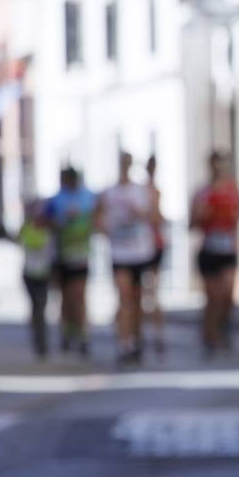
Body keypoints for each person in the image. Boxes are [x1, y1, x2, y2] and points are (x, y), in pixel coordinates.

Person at [95, 152, 159, 364]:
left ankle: (137, 338)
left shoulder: (142, 191)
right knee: (124, 299)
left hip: (141, 252)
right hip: (120, 252)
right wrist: (104, 228)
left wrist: (141, 214)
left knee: (139, 301)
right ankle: (124, 343)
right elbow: (98, 218)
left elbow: (156, 217)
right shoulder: (108, 192)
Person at [191, 150, 239, 355]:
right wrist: (202, 214)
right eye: (215, 165)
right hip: (209, 250)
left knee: (228, 293)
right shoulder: (201, 193)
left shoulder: (232, 190)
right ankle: (209, 335)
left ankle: (224, 327)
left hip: (228, 249)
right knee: (212, 296)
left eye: (223, 165)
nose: (219, 169)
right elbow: (192, 224)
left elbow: (238, 217)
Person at [45, 166, 95, 356]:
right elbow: (46, 222)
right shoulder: (56, 200)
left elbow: (95, 218)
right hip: (61, 255)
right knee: (65, 297)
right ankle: (67, 331)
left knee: (79, 295)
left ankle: (83, 333)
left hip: (81, 254)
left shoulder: (87, 198)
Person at [18, 196, 55, 360]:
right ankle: (38, 339)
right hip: (30, 274)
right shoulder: (27, 230)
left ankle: (42, 341)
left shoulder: (50, 232)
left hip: (44, 275)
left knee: (41, 307)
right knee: (36, 308)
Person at [141, 154, 167, 355]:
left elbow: (158, 219)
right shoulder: (141, 191)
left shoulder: (155, 191)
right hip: (139, 247)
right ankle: (138, 333)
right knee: (139, 293)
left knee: (152, 292)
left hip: (154, 246)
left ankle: (157, 334)